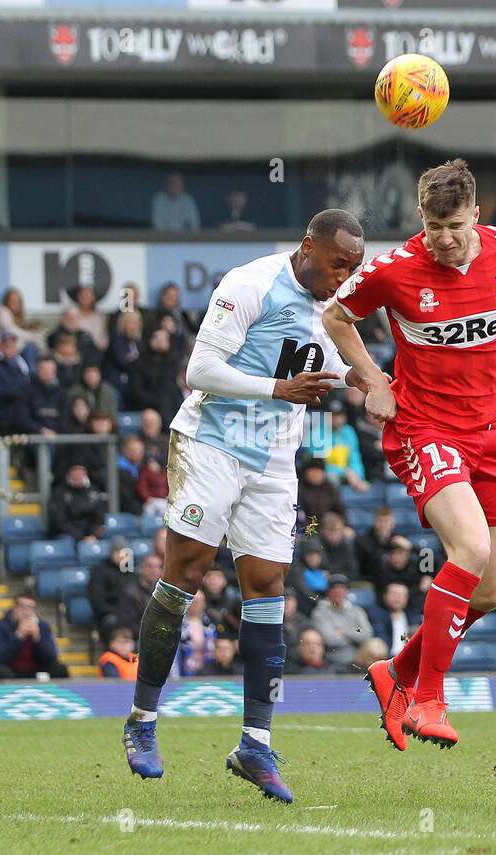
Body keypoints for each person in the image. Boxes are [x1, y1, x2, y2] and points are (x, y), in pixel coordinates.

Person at [119, 208, 367, 804]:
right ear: (308, 246)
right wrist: (277, 389)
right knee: (186, 574)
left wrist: (377, 382)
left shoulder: (337, 306)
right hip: (212, 441)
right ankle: (142, 721)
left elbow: (337, 367)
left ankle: (255, 744)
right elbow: (199, 370)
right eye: (337, 264)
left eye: (353, 268)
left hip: (276, 456)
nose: (344, 277)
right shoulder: (250, 283)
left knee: (266, 589)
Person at [324, 159, 496, 751]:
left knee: (490, 590)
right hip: (425, 428)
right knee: (468, 548)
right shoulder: (393, 271)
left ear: (476, 216)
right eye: (433, 224)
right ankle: (428, 697)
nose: (444, 237)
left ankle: (396, 674)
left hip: (489, 435)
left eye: (455, 225)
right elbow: (334, 315)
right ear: (421, 217)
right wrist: (374, 381)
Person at [0, 592, 70, 680]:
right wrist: (18, 636)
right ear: (14, 608)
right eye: (22, 607)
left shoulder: (43, 627)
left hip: (34, 670)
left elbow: (52, 657)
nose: (26, 612)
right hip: (11, 669)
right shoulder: (0, 627)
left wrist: (38, 638)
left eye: (30, 608)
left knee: (60, 669)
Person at [310, 574, 374, 669]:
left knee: (376, 645)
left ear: (347, 591)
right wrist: (354, 635)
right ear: (328, 592)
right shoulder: (320, 612)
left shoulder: (357, 610)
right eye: (334, 588)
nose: (338, 591)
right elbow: (330, 639)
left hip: (359, 656)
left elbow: (367, 634)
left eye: (342, 587)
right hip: (332, 658)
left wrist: (343, 631)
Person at [368, 581, 421, 656]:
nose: (398, 598)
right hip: (384, 658)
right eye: (394, 594)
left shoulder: (413, 616)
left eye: (402, 595)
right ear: (385, 595)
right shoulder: (376, 614)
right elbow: (379, 637)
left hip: (409, 659)